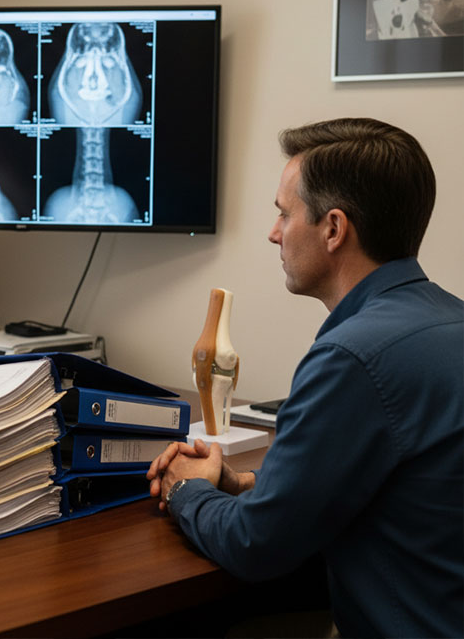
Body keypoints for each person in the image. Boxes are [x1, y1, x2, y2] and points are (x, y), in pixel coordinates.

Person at [147, 118, 463, 638]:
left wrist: (186, 492)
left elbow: (256, 545)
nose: (274, 232)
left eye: (283, 214)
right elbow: (402, 496)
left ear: (334, 229)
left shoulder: (352, 357)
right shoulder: (450, 322)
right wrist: (242, 484)